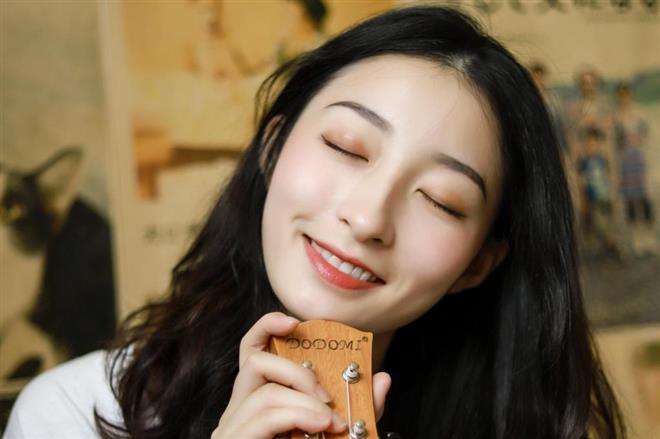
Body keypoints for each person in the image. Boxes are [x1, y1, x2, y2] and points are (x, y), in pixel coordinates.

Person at [5, 6, 625, 438]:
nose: (368, 217)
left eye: (440, 200)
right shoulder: (71, 412)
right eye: (347, 147)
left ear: (478, 264)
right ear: (273, 146)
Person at [613, 81, 656, 254]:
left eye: (627, 94)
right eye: (621, 95)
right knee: (630, 200)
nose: (625, 98)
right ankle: (636, 237)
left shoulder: (639, 114)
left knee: (645, 199)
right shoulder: (615, 117)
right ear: (618, 97)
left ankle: (649, 237)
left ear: (631, 95)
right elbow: (615, 143)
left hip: (640, 161)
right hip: (625, 163)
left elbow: (647, 137)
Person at [577, 127, 618, 255]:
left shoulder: (602, 158)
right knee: (598, 223)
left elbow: (609, 175)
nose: (591, 147)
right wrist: (582, 198)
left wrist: (613, 192)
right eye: (588, 144)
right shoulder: (583, 161)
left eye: (594, 144)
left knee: (609, 221)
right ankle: (609, 243)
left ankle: (610, 243)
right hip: (592, 196)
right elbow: (580, 180)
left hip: (605, 195)